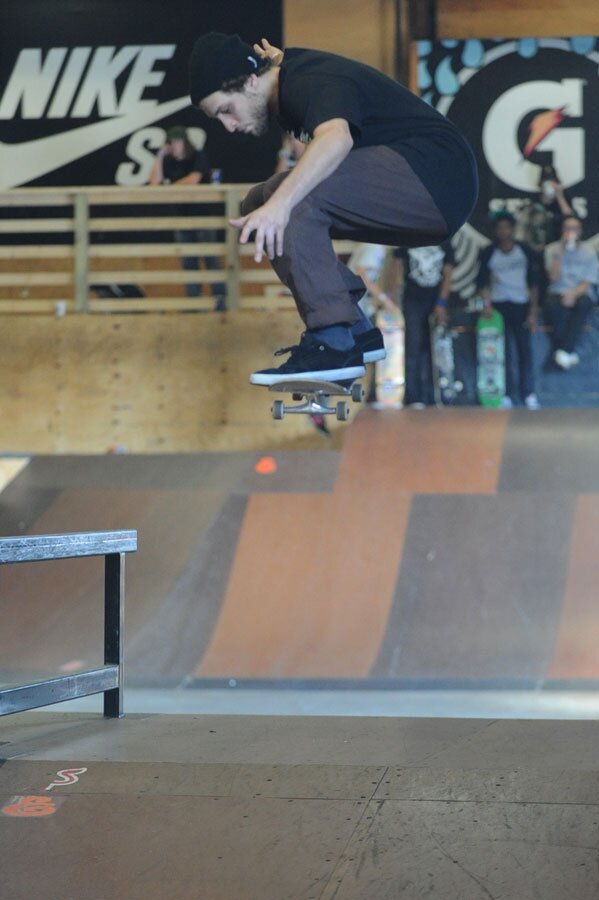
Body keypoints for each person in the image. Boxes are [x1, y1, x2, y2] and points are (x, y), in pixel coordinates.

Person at [189, 33, 478, 384]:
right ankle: (355, 328)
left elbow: (336, 138)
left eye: (226, 110)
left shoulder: (306, 80)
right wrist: (274, 205)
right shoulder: (287, 75)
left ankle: (331, 339)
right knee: (258, 204)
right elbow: (282, 66)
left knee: (287, 196)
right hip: (425, 183)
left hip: (438, 176)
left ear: (251, 81)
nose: (229, 126)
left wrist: (282, 204)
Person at [149, 125, 227, 310]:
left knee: (210, 258)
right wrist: (159, 156)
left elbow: (194, 179)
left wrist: (169, 189)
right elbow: (154, 183)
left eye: (178, 141)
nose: (175, 145)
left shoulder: (198, 156)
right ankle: (194, 301)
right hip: (181, 217)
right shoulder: (167, 160)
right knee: (188, 261)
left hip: (203, 216)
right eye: (171, 142)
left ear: (185, 142)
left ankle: (221, 299)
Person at [476, 212, 540, 409]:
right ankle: (507, 394)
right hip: (499, 306)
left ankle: (528, 393)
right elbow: (481, 283)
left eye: (507, 227)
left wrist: (533, 312)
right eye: (500, 228)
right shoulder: (489, 252)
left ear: (513, 229)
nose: (504, 231)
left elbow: (534, 284)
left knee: (524, 351)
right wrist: (486, 304)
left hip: (521, 304)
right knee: (503, 353)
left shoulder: (524, 250)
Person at [393, 242, 453, 408]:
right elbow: (397, 268)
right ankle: (413, 396)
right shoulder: (407, 238)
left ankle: (432, 394)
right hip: (412, 299)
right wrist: (395, 299)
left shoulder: (444, 241)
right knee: (413, 346)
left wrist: (441, 302)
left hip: (434, 300)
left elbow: (448, 274)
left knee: (433, 349)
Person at [544, 215, 598, 370]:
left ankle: (563, 350)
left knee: (584, 304)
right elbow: (552, 278)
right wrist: (561, 252)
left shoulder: (589, 251)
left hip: (580, 293)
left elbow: (588, 281)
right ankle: (567, 351)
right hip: (557, 291)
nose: (571, 231)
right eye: (567, 228)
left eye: (574, 228)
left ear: (580, 231)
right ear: (562, 230)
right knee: (552, 306)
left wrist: (573, 294)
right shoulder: (552, 249)